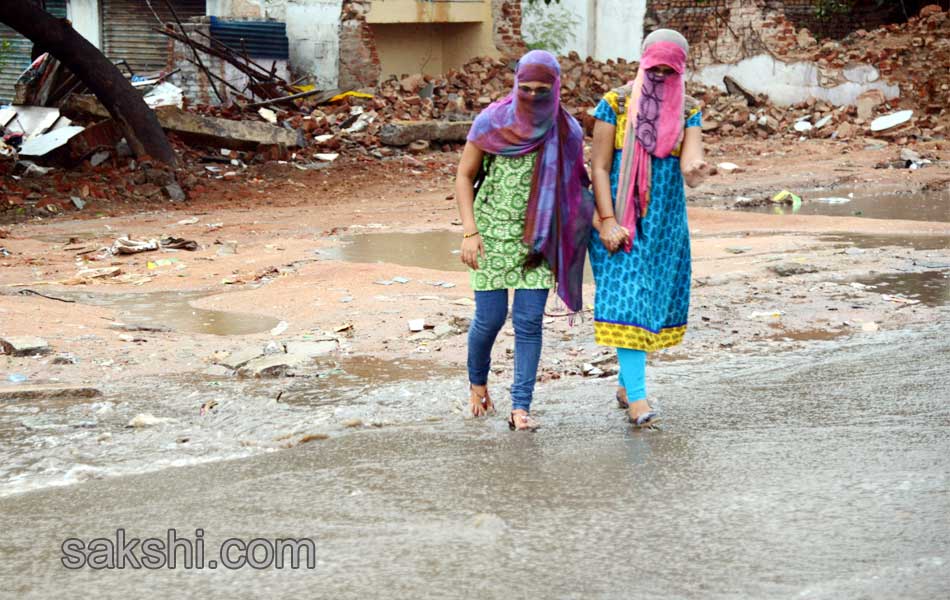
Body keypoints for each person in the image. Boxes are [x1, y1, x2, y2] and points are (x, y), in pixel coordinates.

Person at [455, 50, 592, 431]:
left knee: (530, 322)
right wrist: (470, 231)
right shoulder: (491, 123)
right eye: (525, 88)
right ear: (515, 85)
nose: (533, 96)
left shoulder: (567, 130)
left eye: (542, 90)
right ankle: (478, 383)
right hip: (491, 235)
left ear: (556, 88)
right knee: (490, 319)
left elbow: (575, 185)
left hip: (538, 237)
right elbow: (465, 176)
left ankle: (521, 407)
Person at [588, 29, 712, 428]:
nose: (660, 76)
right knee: (628, 300)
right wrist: (607, 220)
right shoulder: (616, 103)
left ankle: (626, 385)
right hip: (620, 214)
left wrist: (697, 170)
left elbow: (690, 162)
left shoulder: (689, 109)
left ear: (681, 69)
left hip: (664, 222)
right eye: (654, 67)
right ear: (642, 62)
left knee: (649, 301)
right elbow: (600, 166)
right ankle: (639, 399)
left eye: (668, 70)